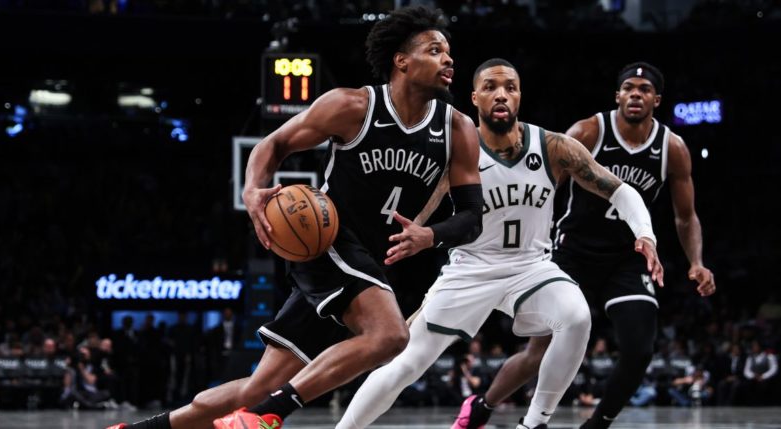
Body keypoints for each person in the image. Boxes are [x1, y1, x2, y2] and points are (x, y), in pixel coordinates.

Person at [108, 6, 482, 429]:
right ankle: (271, 414)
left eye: (449, 52)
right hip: (325, 242)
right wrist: (252, 190)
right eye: (435, 51)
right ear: (402, 60)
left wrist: (430, 236)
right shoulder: (352, 105)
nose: (449, 60)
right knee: (391, 336)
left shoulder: (457, 129)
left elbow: (472, 217)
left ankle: (140, 428)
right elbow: (274, 144)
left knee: (255, 386)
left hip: (368, 266)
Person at [336, 58, 662, 429]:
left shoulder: (554, 146)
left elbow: (619, 190)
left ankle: (534, 423)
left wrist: (645, 235)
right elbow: (418, 215)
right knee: (407, 363)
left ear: (520, 95)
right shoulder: (457, 150)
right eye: (490, 87)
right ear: (475, 97)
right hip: (471, 268)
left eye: (510, 86)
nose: (501, 94)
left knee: (575, 316)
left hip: (531, 266)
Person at [453, 61, 717, 429]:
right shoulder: (590, 130)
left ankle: (598, 423)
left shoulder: (672, 148)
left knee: (640, 350)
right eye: (628, 88)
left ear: (656, 99)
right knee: (538, 350)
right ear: (617, 95)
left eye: (643, 89)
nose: (635, 94)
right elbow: (543, 179)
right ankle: (483, 406)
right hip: (573, 249)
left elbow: (685, 217)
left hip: (628, 257)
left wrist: (696, 262)